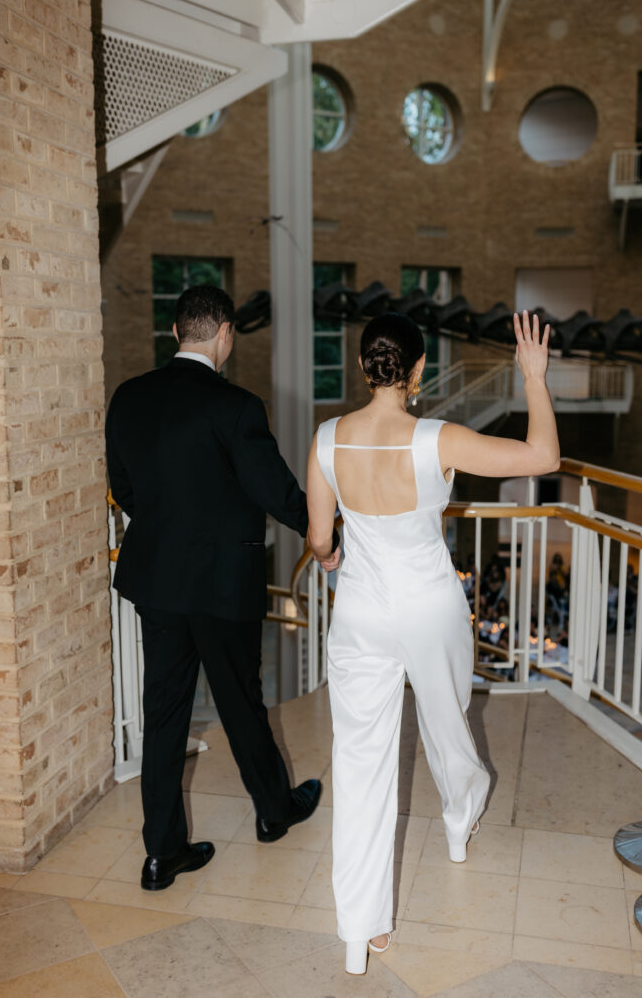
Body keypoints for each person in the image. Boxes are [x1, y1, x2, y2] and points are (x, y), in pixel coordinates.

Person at [306, 309, 559, 975]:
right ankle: (458, 818)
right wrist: (531, 376)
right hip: (428, 607)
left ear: (364, 367)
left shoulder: (327, 438)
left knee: (359, 766)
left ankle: (360, 934)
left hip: (359, 612)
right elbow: (542, 458)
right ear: (417, 370)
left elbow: (317, 539)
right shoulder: (436, 438)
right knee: (447, 724)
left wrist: (330, 561)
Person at [106, 284, 337, 891]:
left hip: (156, 580)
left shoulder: (128, 398)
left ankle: (161, 856)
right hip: (221, 584)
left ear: (178, 332)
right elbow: (276, 490)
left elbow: (125, 489)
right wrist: (326, 534)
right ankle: (272, 811)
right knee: (239, 701)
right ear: (225, 333)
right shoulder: (236, 406)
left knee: (165, 715)